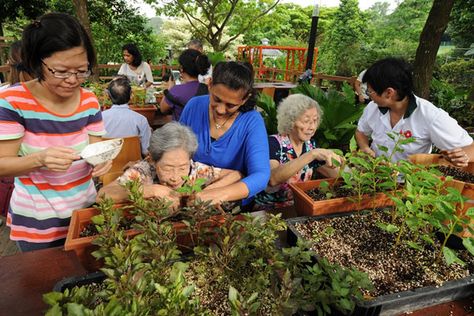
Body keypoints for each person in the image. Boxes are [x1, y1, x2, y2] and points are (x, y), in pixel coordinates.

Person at [0, 13, 112, 251]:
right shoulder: (13, 101)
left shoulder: (90, 101)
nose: (72, 80)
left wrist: (102, 161)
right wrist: (39, 159)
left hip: (84, 212)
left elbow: (97, 151)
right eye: (61, 71)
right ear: (38, 62)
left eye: (82, 71)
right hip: (36, 222)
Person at [179, 61, 270, 206]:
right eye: (216, 99)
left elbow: (261, 176)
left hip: (230, 204)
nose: (221, 110)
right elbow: (176, 149)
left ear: (244, 99)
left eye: (231, 105)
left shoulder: (252, 121)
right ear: (209, 84)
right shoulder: (194, 106)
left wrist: (217, 194)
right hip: (188, 193)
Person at [355, 57, 473, 167]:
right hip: (375, 177)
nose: (369, 96)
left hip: (410, 183)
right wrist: (365, 148)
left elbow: (471, 148)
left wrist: (462, 156)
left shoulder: (430, 116)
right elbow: (361, 132)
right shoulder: (372, 108)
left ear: (389, 93)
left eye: (370, 92)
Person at [98, 122, 242, 205]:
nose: (175, 177)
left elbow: (235, 175)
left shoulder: (195, 170)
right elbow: (102, 195)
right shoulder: (143, 171)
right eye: (167, 168)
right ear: (153, 160)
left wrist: (206, 193)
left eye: (182, 168)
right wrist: (150, 190)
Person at [254, 94, 342, 210]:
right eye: (306, 121)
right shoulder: (273, 143)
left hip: (298, 206)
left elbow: (335, 175)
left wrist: (337, 162)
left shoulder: (310, 145)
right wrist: (311, 155)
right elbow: (273, 179)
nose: (312, 127)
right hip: (270, 210)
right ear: (290, 121)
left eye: (315, 121)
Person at [102, 76, 152, 156]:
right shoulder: (141, 119)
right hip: (132, 165)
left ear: (108, 96)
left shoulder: (99, 118)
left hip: (105, 166)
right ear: (131, 95)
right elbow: (146, 151)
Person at [159, 49, 210, 121]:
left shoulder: (176, 90)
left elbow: (163, 109)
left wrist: (169, 89)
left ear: (182, 68)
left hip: (182, 131)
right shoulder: (207, 89)